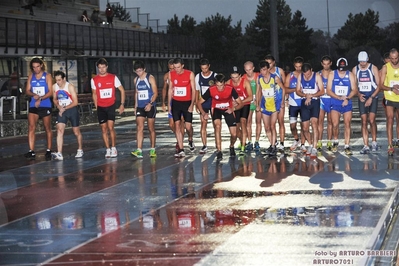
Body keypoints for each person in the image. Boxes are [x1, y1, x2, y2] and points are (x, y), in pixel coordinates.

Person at [196, 74, 243, 160]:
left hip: (227, 109)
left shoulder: (230, 89)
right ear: (215, 84)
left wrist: (233, 109)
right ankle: (219, 150)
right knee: (217, 127)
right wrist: (203, 113)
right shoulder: (211, 89)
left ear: (225, 83)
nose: (219, 88)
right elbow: (199, 102)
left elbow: (240, 103)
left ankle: (231, 146)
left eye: (221, 86)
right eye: (217, 85)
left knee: (234, 133)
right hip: (216, 109)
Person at [91, 58, 125, 158]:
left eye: (103, 67)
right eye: (99, 68)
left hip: (110, 105)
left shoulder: (113, 77)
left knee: (110, 127)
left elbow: (122, 90)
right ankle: (107, 149)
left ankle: (114, 147)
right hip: (101, 107)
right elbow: (94, 94)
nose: (101, 69)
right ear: (98, 68)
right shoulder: (94, 80)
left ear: (107, 67)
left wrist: (122, 104)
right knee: (103, 129)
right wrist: (96, 106)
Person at [326, 58, 358, 155]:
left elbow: (354, 89)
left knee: (347, 123)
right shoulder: (332, 74)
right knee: (335, 124)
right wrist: (338, 97)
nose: (342, 71)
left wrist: (347, 98)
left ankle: (347, 145)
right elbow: (328, 90)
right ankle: (335, 141)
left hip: (346, 102)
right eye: (340, 69)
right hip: (335, 102)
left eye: (343, 69)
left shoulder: (350, 75)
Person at [24, 57, 53, 160]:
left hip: (45, 104)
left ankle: (49, 150)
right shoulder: (31, 76)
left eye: (37, 66)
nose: (36, 69)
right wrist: (33, 94)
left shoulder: (47, 76)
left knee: (47, 128)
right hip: (33, 105)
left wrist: (40, 98)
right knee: (31, 127)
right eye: (33, 67)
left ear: (41, 65)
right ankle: (31, 151)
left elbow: (50, 92)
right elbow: (27, 90)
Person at [51, 71, 83, 160]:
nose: (58, 82)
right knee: (60, 130)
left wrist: (64, 108)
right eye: (56, 80)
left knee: (76, 132)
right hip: (62, 110)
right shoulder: (54, 87)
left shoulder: (70, 87)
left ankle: (80, 149)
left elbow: (75, 102)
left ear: (64, 79)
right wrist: (58, 106)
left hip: (71, 109)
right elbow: (54, 99)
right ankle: (59, 153)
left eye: (59, 80)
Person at [352, 51, 380, 154]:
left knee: (372, 120)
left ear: (367, 59)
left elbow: (379, 86)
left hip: (373, 96)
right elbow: (354, 86)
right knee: (364, 121)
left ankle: (374, 142)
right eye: (360, 62)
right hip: (362, 97)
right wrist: (358, 94)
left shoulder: (373, 68)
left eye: (364, 61)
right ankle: (365, 145)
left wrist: (371, 97)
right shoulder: (355, 69)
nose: (362, 64)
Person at [167, 58, 196, 158]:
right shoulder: (171, 74)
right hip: (176, 103)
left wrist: (192, 104)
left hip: (187, 103)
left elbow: (193, 90)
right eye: (174, 68)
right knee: (177, 124)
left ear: (182, 66)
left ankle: (190, 139)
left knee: (188, 126)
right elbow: (170, 89)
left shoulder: (190, 74)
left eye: (178, 67)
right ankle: (181, 148)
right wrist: (169, 104)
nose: (176, 69)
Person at [256, 61, 285, 157]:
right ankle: (273, 143)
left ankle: (273, 146)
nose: (263, 72)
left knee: (272, 126)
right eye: (261, 70)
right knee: (267, 127)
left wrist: (282, 102)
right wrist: (258, 104)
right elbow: (258, 92)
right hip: (265, 105)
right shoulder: (259, 78)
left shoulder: (275, 78)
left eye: (264, 69)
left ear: (268, 69)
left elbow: (283, 89)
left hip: (274, 105)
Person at [295, 63, 325, 158]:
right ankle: (311, 144)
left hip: (315, 102)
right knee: (305, 128)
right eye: (305, 74)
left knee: (314, 124)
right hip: (305, 102)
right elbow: (297, 91)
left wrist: (311, 96)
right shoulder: (300, 76)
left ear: (311, 70)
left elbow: (322, 91)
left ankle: (315, 148)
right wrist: (305, 96)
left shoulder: (317, 76)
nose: (306, 76)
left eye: (308, 74)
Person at [130, 60, 158, 159]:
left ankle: (153, 149)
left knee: (151, 128)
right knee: (139, 127)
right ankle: (139, 150)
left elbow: (155, 93)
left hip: (150, 106)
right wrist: (135, 106)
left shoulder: (150, 78)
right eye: (137, 71)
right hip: (140, 106)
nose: (139, 73)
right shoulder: (136, 80)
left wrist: (150, 104)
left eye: (140, 71)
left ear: (144, 69)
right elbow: (137, 93)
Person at [227, 66, 252, 157]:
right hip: (235, 106)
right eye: (232, 77)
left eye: (236, 77)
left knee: (243, 122)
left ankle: (243, 147)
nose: (235, 80)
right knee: (236, 129)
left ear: (240, 76)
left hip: (245, 104)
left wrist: (240, 102)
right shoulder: (228, 83)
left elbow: (250, 97)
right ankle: (240, 142)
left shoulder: (245, 82)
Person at [265, 54, 286, 152]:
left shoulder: (280, 71)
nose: (268, 65)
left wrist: (283, 100)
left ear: (273, 62)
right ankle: (274, 142)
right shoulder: (264, 72)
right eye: (266, 63)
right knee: (269, 125)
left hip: (278, 100)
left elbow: (284, 86)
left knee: (280, 122)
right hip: (269, 102)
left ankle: (281, 143)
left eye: (269, 63)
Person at [195, 58, 217, 154]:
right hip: (203, 102)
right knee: (203, 124)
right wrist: (196, 103)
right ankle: (204, 145)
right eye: (202, 69)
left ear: (209, 66)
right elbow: (197, 91)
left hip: (213, 102)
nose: (204, 70)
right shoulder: (198, 76)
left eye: (206, 68)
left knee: (216, 124)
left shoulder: (214, 76)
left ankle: (217, 144)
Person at [285, 56, 306, 153]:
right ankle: (296, 139)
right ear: (294, 66)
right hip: (293, 104)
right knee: (292, 126)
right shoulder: (290, 76)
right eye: (297, 66)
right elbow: (285, 89)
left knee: (303, 125)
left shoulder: (306, 75)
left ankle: (302, 144)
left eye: (300, 66)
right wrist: (295, 90)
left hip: (303, 103)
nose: (298, 69)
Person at [380, 48, 399, 156]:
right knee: (390, 119)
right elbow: (381, 85)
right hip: (390, 97)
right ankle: (390, 145)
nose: (394, 60)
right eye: (392, 59)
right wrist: (392, 88)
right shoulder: (385, 67)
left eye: (396, 58)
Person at [242, 61, 261, 151]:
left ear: (253, 68)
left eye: (250, 70)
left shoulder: (259, 76)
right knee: (248, 122)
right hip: (248, 103)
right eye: (246, 70)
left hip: (258, 102)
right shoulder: (243, 78)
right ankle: (249, 141)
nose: (248, 72)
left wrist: (259, 102)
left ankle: (257, 141)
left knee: (258, 122)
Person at [317, 55, 333, 151]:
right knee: (320, 122)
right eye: (324, 64)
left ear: (330, 63)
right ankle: (319, 142)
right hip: (321, 100)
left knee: (330, 122)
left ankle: (329, 142)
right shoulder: (318, 74)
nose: (326, 66)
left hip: (331, 100)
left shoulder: (334, 73)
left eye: (328, 64)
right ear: (322, 64)